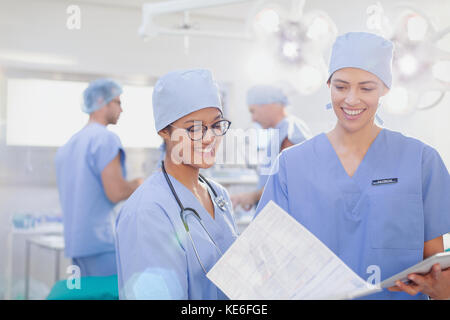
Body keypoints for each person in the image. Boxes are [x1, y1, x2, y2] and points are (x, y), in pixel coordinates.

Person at [255, 32, 450, 300]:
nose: (351, 99)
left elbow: (439, 274)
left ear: (385, 89)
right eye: (341, 86)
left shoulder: (421, 161)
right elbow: (266, 262)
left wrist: (437, 288)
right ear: (328, 85)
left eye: (367, 88)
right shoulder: (291, 166)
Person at [115, 69, 238, 299]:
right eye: (195, 128)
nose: (210, 137)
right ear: (164, 131)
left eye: (216, 125)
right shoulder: (147, 213)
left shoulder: (218, 195)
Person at [55, 79, 143, 277]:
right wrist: (141, 184)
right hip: (101, 245)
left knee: (83, 294)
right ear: (102, 102)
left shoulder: (69, 144)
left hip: (76, 246)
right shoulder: (105, 139)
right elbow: (116, 192)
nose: (122, 110)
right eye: (118, 102)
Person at [230, 85, 311, 210]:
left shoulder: (290, 131)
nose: (253, 118)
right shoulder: (281, 132)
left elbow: (291, 184)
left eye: (253, 111)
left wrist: (253, 196)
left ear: (269, 105)